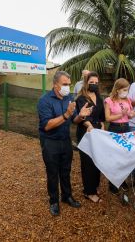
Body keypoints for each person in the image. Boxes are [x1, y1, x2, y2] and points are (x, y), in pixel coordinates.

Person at [38, 71, 92, 216]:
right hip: (50, 142)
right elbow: (47, 125)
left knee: (66, 170)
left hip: (65, 140)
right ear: (55, 85)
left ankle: (67, 196)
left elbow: (73, 120)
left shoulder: (69, 97)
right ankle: (54, 201)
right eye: (64, 84)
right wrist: (66, 115)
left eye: (69, 84)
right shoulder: (45, 101)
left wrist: (80, 116)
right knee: (52, 172)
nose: (68, 87)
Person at [74, 72, 105, 203]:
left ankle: (94, 186)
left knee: (97, 160)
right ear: (86, 83)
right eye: (91, 82)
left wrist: (102, 125)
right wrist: (89, 125)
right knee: (88, 162)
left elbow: (102, 116)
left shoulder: (99, 96)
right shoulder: (81, 98)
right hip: (86, 131)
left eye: (96, 83)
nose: (94, 85)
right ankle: (88, 191)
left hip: (97, 132)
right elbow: (82, 117)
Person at [104, 78, 135, 195]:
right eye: (124, 89)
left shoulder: (127, 100)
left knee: (124, 156)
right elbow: (108, 118)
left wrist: (132, 114)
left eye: (127, 89)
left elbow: (129, 115)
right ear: (117, 90)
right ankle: (112, 182)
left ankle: (121, 180)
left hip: (126, 128)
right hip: (114, 129)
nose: (126, 92)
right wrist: (121, 114)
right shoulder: (109, 100)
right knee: (114, 157)